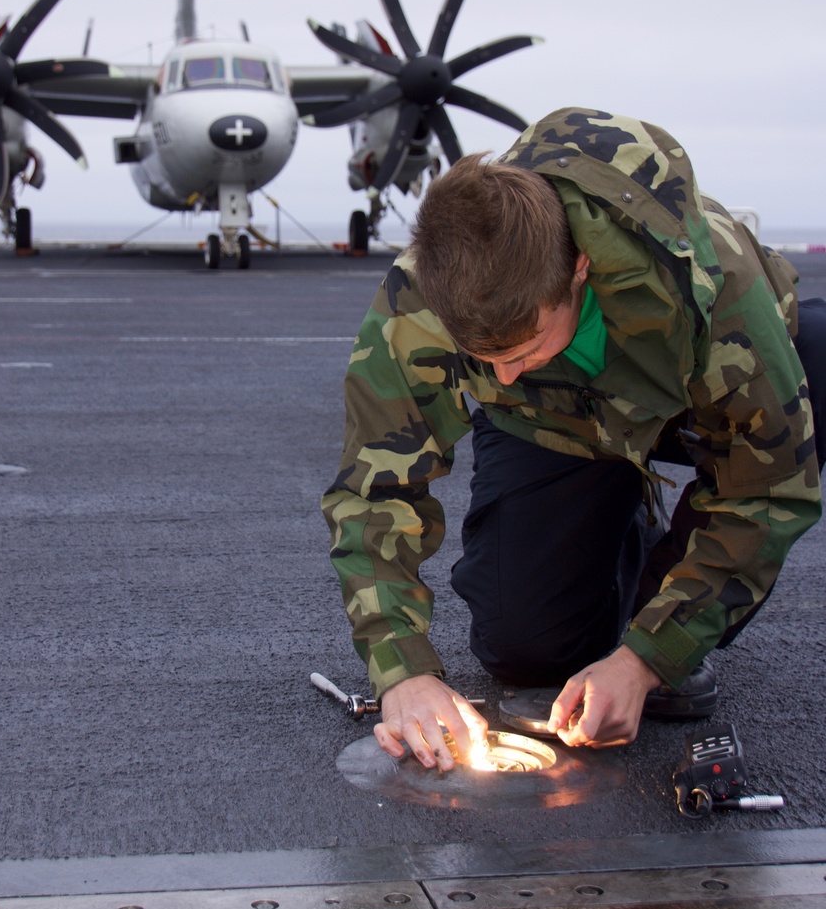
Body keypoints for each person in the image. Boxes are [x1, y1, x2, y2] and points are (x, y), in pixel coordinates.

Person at [323, 108, 825, 770]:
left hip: (693, 405)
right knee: (524, 648)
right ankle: (622, 524)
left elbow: (773, 488)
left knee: (811, 381)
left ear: (579, 271)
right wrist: (402, 670)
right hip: (555, 419)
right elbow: (375, 486)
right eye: (483, 358)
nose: (499, 374)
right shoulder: (426, 291)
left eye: (522, 346)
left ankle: (661, 591)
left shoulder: (713, 287)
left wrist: (648, 658)